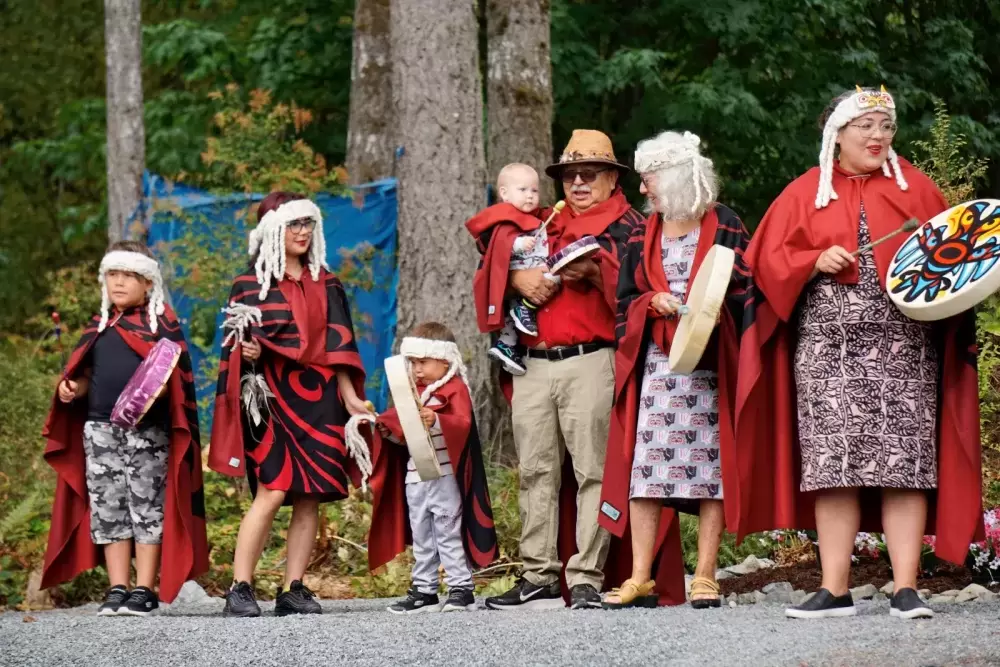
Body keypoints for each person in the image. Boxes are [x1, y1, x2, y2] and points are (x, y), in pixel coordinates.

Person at [736, 86, 983, 620]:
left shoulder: (917, 190)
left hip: (904, 349)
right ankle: (835, 588)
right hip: (828, 352)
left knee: (905, 465)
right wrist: (810, 259)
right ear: (837, 134)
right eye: (865, 126)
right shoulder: (804, 193)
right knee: (833, 467)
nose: (878, 136)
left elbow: (956, 263)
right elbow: (763, 265)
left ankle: (905, 588)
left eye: (886, 126)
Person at [479, 129, 645, 611]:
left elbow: (641, 296)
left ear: (613, 178)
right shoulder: (541, 221)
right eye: (570, 174)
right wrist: (514, 278)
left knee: (593, 470)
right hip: (532, 362)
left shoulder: (630, 225)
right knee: (535, 471)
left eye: (589, 174)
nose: (577, 182)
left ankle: (587, 576)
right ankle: (538, 575)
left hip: (591, 359)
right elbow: (490, 264)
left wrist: (596, 274)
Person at [599, 131, 752, 609]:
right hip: (660, 371)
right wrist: (651, 302)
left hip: (710, 370)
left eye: (648, 180)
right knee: (645, 472)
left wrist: (712, 310)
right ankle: (641, 575)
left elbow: (751, 292)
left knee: (712, 472)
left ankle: (705, 575)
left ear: (676, 177)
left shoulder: (725, 224)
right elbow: (623, 302)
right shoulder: (642, 234)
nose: (643, 190)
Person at [208, 192, 370, 617]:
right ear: (272, 231)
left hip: (320, 399)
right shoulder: (249, 284)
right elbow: (235, 346)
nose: (302, 232)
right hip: (268, 399)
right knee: (273, 489)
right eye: (293, 224)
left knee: (309, 496)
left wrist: (352, 397)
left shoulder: (328, 281)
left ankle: (292, 588)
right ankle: (240, 587)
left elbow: (340, 344)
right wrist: (248, 354)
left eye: (308, 224)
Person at [41, 240, 208, 616]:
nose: (118, 282)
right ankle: (118, 587)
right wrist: (71, 389)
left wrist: (156, 391)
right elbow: (85, 378)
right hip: (99, 430)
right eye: (112, 274)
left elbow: (175, 383)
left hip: (148, 433)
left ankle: (144, 589)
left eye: (128, 276)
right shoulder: (99, 326)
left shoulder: (161, 325)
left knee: (147, 508)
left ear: (147, 282)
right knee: (109, 507)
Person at [366, 322, 499, 614]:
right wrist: (384, 429)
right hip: (416, 477)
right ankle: (424, 590)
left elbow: (463, 425)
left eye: (422, 362)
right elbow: (400, 428)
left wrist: (437, 420)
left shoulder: (455, 389)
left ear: (444, 359)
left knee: (448, 530)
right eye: (412, 363)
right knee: (422, 534)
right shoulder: (414, 393)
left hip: (446, 476)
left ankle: (460, 588)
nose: (416, 369)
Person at [466, 163, 549, 376]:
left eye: (534, 190)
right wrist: (518, 244)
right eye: (523, 190)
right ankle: (511, 334)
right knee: (519, 304)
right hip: (512, 274)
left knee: (513, 318)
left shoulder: (534, 217)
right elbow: (499, 242)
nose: (530, 196)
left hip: (527, 272)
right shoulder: (504, 216)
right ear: (504, 193)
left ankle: (507, 345)